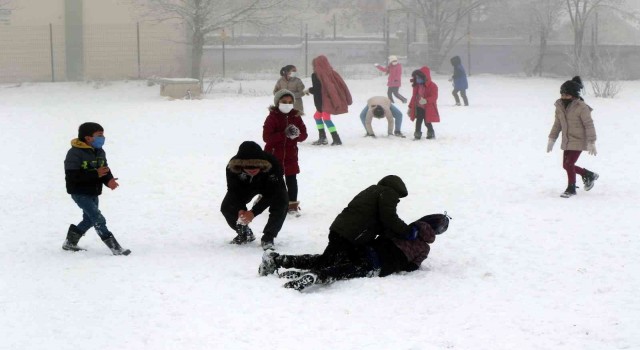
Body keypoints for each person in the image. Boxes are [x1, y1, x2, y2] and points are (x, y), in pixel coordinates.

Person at [258, 176, 450, 292]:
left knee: (330, 259)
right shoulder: (387, 193)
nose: (398, 200)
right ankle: (284, 263)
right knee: (334, 264)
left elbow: (382, 226)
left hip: (345, 231)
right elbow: (389, 218)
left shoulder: (373, 191)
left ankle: (285, 264)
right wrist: (407, 232)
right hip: (352, 236)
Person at [63, 122, 130, 256]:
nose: (103, 138)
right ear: (88, 138)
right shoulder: (74, 153)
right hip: (79, 192)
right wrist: (96, 174)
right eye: (99, 135)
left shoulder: (99, 151)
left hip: (93, 191)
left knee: (89, 219)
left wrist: (108, 180)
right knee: (98, 218)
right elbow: (72, 176)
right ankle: (115, 248)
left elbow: (104, 169)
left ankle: (70, 243)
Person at [221, 141, 288, 250]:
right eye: (248, 168)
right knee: (227, 206)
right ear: (240, 165)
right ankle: (244, 233)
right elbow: (233, 191)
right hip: (245, 187)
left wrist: (253, 212)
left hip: (270, 186)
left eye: (256, 167)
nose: (252, 170)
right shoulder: (232, 167)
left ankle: (268, 237)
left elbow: (273, 193)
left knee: (282, 202)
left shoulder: (273, 163)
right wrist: (240, 209)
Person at [547, 76, 599, 198]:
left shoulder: (581, 107)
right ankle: (588, 174)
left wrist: (591, 142)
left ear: (574, 95)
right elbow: (557, 124)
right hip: (567, 140)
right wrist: (552, 138)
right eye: (562, 95)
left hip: (579, 140)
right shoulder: (560, 106)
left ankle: (571, 188)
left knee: (569, 163)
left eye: (567, 95)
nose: (564, 97)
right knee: (565, 165)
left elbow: (589, 124)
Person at [263, 89, 308, 217]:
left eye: (290, 102)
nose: (287, 104)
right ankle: (266, 200)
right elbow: (267, 138)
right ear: (278, 103)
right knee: (273, 181)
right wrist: (284, 134)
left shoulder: (296, 116)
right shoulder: (272, 117)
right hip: (273, 155)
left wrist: (297, 135)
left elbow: (304, 135)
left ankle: (292, 205)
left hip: (291, 155)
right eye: (284, 102)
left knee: (291, 180)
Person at [303, 55, 352, 146]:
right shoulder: (332, 73)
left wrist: (309, 90)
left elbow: (317, 89)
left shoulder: (316, 75)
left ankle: (335, 139)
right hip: (330, 100)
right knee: (317, 116)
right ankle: (323, 137)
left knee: (326, 118)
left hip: (322, 101)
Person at [408, 66, 440, 140]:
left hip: (428, 107)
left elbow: (434, 97)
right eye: (417, 78)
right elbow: (414, 97)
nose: (418, 79)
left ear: (425, 77)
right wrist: (410, 107)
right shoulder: (417, 86)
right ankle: (417, 134)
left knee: (427, 121)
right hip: (419, 107)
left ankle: (431, 133)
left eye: (419, 78)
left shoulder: (433, 86)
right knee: (418, 121)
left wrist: (426, 100)